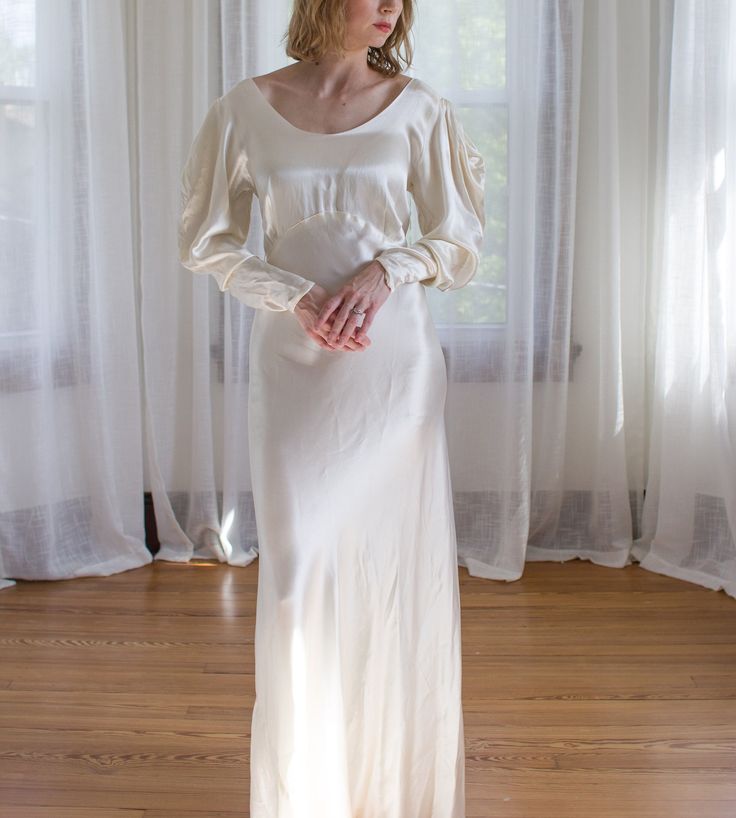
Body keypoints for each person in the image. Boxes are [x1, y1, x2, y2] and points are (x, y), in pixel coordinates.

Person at [178, 0, 485, 814]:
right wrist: (292, 294)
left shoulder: (422, 110)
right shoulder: (245, 109)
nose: (390, 6)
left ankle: (394, 791)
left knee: (393, 579)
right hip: (294, 367)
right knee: (296, 584)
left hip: (393, 369)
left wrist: (387, 270)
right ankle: (308, 793)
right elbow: (208, 241)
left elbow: (458, 239)